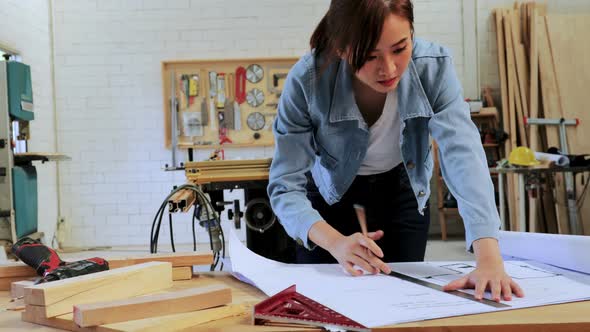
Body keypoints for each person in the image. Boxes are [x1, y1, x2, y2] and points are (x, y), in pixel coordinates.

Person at [267, 0, 524, 302]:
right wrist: (335, 243)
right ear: (341, 48)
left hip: (402, 191)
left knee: (403, 301)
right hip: (328, 202)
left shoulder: (434, 67)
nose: (388, 68)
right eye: (370, 56)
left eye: (400, 49)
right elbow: (284, 187)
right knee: (328, 304)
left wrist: (489, 260)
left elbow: (464, 156)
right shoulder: (307, 80)